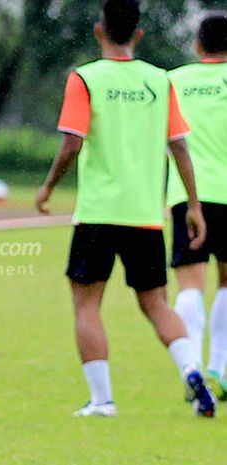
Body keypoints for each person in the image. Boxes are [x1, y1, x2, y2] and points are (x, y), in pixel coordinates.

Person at [35, 0, 215, 417]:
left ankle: (102, 400)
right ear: (139, 34)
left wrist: (47, 187)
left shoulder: (86, 79)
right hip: (145, 216)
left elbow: (72, 143)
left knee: (87, 305)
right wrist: (192, 204)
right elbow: (179, 146)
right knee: (156, 305)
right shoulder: (159, 81)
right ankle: (190, 369)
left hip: (98, 214)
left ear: (99, 31)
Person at [166, 11, 227, 399]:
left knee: (190, 282)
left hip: (187, 196)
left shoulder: (174, 80)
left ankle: (190, 366)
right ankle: (219, 368)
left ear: (197, 45)